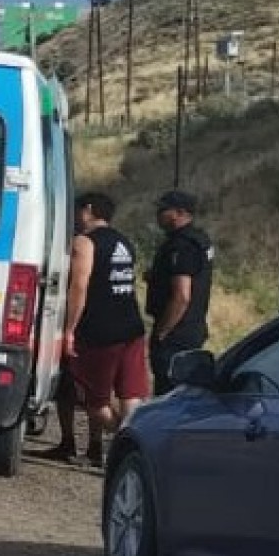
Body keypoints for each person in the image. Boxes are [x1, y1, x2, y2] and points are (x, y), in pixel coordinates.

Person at [57, 191, 150, 467]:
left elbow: (79, 286)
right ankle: (135, 445)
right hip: (132, 327)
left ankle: (133, 445)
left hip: (100, 331)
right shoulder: (125, 242)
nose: (75, 217)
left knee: (95, 402)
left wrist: (70, 329)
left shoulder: (84, 243)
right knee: (129, 394)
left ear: (88, 210)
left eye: (77, 211)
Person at [146, 189, 215, 396]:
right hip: (193, 326)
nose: (158, 214)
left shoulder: (181, 246)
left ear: (180, 213)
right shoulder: (199, 239)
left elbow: (182, 296)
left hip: (176, 333)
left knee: (169, 393)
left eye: (163, 210)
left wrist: (163, 331)